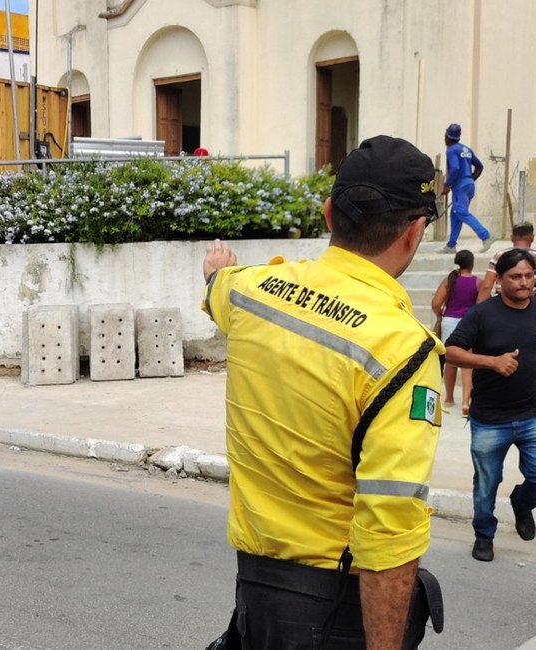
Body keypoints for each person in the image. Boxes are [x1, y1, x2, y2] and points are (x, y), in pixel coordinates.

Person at [202, 135, 443, 648]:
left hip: (256, 598)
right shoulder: (402, 350)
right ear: (415, 229)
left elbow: (216, 289)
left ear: (330, 212)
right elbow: (388, 531)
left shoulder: (248, 293)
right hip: (336, 610)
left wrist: (215, 273)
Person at [444, 249, 536, 563]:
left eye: (529, 276)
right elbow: (451, 351)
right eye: (515, 277)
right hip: (490, 418)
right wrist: (491, 362)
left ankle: (522, 504)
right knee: (486, 483)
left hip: (533, 413)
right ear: (499, 280)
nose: (524, 282)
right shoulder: (482, 314)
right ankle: (484, 535)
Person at [431, 250, 478, 414]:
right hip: (469, 323)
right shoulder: (478, 282)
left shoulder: (449, 280)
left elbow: (436, 303)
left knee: (450, 360)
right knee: (468, 363)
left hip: (449, 322)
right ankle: (466, 401)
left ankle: (449, 398)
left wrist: (440, 315)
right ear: (472, 264)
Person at [438, 123, 494, 255]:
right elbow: (479, 167)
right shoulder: (466, 149)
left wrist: (447, 185)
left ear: (448, 136)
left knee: (461, 212)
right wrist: (469, 179)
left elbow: (456, 168)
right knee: (455, 214)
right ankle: (451, 245)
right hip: (469, 185)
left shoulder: (451, 150)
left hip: (460, 187)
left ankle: (485, 236)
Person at [476, 222, 536, 303]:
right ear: (532, 238)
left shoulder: (498, 256)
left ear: (512, 238)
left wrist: (480, 311)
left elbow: (486, 287)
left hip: (500, 307)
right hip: (527, 307)